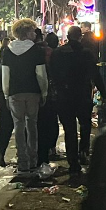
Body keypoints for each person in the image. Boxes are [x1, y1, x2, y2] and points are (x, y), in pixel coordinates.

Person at [50, 26, 103, 181]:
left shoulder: (58, 53)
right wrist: (105, 95)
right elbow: (95, 74)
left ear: (67, 36)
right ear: (80, 37)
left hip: (64, 96)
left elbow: (51, 73)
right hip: (82, 95)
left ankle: (73, 164)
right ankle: (83, 152)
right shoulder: (86, 53)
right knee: (85, 125)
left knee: (70, 130)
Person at [0, 19, 48, 179]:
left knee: (18, 126)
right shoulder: (36, 51)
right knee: (32, 125)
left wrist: (6, 94)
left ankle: (22, 161)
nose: (35, 34)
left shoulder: (7, 51)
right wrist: (44, 92)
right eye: (33, 31)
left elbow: (5, 75)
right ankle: (33, 159)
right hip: (33, 92)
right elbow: (41, 74)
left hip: (14, 93)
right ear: (27, 33)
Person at [36, 33, 60, 166]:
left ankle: (40, 151)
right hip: (53, 92)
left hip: (39, 92)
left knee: (40, 123)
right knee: (52, 121)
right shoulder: (56, 54)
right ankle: (51, 147)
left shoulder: (36, 52)